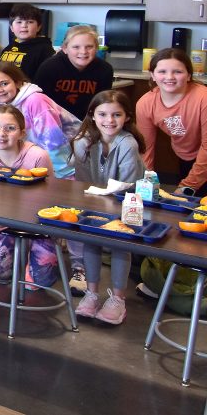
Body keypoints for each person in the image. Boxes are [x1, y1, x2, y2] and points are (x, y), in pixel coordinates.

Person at [69, 90, 146, 325]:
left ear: (127, 118)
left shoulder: (128, 144)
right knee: (90, 241)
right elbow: (83, 182)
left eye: (116, 115)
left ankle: (118, 299)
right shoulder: (82, 142)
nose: (109, 121)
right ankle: (92, 293)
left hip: (127, 203)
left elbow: (128, 186)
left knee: (119, 246)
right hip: (94, 201)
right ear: (92, 115)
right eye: (102, 114)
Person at [0, 104, 59, 289]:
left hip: (38, 226)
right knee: (0, 275)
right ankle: (17, 256)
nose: (1, 133)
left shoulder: (37, 157)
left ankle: (32, 258)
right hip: (4, 224)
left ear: (22, 133)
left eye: (10, 128)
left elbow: (48, 200)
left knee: (40, 282)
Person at [0, 62, 80, 179]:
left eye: (4, 84)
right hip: (32, 157)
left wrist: (64, 178)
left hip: (68, 156)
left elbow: (55, 143)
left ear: (18, 82)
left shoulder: (35, 101)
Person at [136, 48, 207, 195]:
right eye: (162, 72)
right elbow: (145, 148)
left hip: (203, 154)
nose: (170, 77)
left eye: (178, 72)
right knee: (189, 208)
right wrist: (147, 183)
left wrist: (188, 186)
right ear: (152, 75)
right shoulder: (145, 103)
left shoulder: (203, 98)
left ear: (188, 75)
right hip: (186, 156)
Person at [32, 25, 114, 119]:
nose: (83, 52)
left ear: (96, 48)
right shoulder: (49, 68)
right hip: (53, 121)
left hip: (88, 122)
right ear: (65, 49)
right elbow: (38, 103)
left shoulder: (104, 69)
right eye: (76, 47)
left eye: (89, 47)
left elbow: (103, 105)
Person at [0, 3, 54, 80]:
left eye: (30, 22)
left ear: (38, 27)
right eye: (19, 22)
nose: (24, 25)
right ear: (11, 28)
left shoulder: (45, 50)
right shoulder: (7, 49)